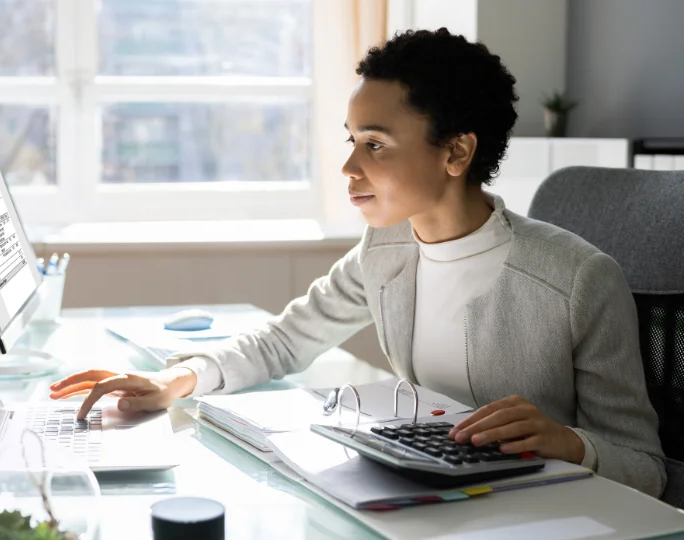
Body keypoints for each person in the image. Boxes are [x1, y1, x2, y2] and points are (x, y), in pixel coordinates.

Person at [49, 29, 665, 497]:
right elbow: (285, 341)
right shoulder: (387, 249)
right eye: (352, 141)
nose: (349, 169)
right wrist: (174, 380)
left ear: (456, 151)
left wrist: (571, 443)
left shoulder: (579, 279)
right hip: (431, 499)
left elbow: (647, 468)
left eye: (375, 145)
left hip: (545, 517)